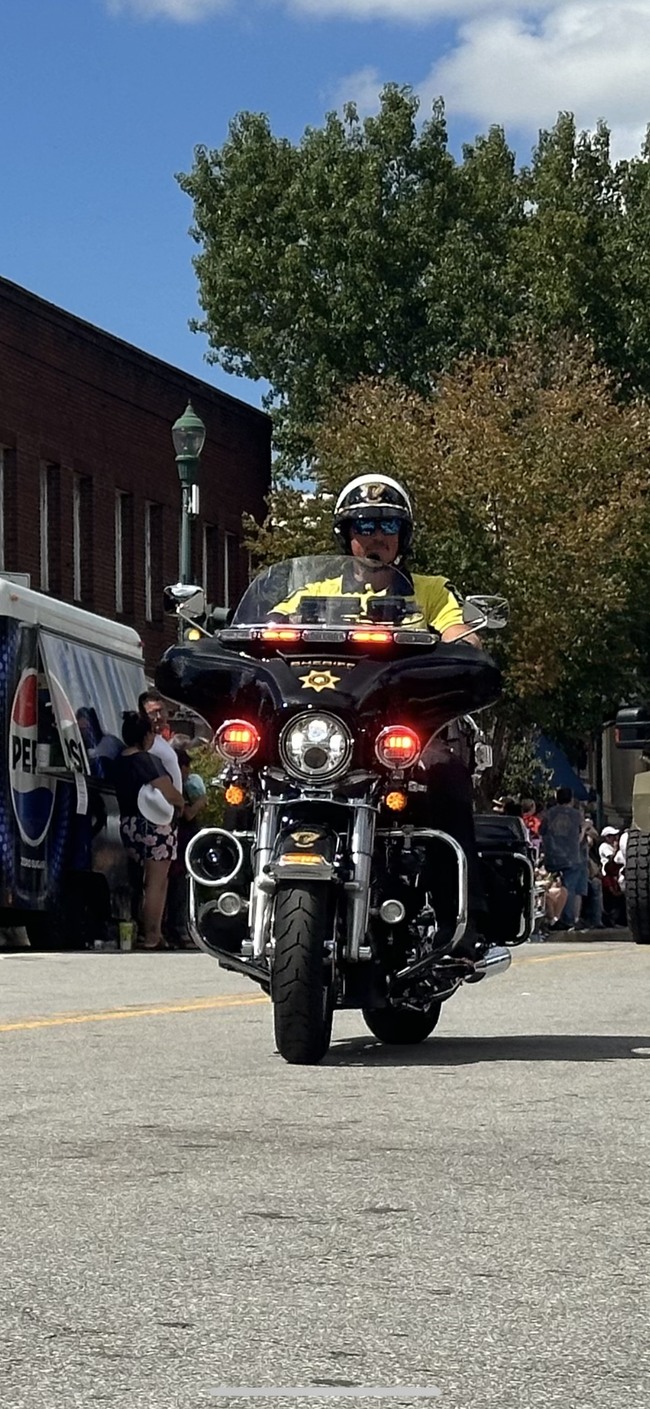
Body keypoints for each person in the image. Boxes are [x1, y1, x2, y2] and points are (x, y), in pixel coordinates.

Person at [276, 473, 488, 960]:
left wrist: (462, 642)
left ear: (402, 536)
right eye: (364, 525)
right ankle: (232, 884)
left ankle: (462, 916)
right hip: (327, 731)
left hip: (405, 730)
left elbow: (460, 632)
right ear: (346, 535)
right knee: (247, 770)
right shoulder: (314, 591)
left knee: (446, 772)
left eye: (388, 525)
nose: (376, 536)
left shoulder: (428, 591)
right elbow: (268, 625)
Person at [113, 711, 184, 950]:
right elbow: (168, 791)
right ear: (145, 736)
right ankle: (153, 935)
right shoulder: (146, 759)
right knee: (156, 882)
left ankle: (140, 930)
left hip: (128, 823)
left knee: (138, 880)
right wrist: (181, 802)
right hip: (153, 825)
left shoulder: (120, 760)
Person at [165, 748, 208, 948]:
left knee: (182, 887)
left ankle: (179, 928)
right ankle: (177, 929)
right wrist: (200, 802)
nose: (188, 771)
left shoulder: (185, 786)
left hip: (184, 845)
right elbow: (187, 814)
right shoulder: (175, 788)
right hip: (179, 845)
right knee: (177, 890)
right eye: (185, 767)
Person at [539, 787, 584, 927]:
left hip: (552, 856)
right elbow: (579, 837)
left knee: (549, 887)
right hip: (571, 857)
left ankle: (549, 916)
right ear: (571, 799)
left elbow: (541, 832)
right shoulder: (576, 815)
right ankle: (567, 919)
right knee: (569, 888)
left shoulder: (548, 814)